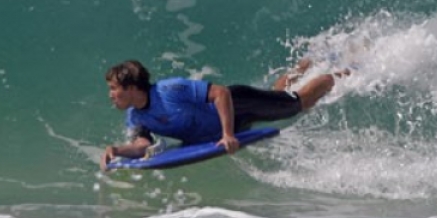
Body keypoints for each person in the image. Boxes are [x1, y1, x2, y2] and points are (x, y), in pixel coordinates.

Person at [100, 59, 348, 170]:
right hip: (223, 128)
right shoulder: (135, 116)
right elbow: (143, 144)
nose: (110, 95)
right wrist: (117, 151)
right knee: (276, 97)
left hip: (238, 104)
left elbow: (220, 93)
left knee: (299, 103)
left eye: (113, 89)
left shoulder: (168, 90)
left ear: (131, 88)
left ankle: (339, 74)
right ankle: (303, 66)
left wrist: (228, 134)